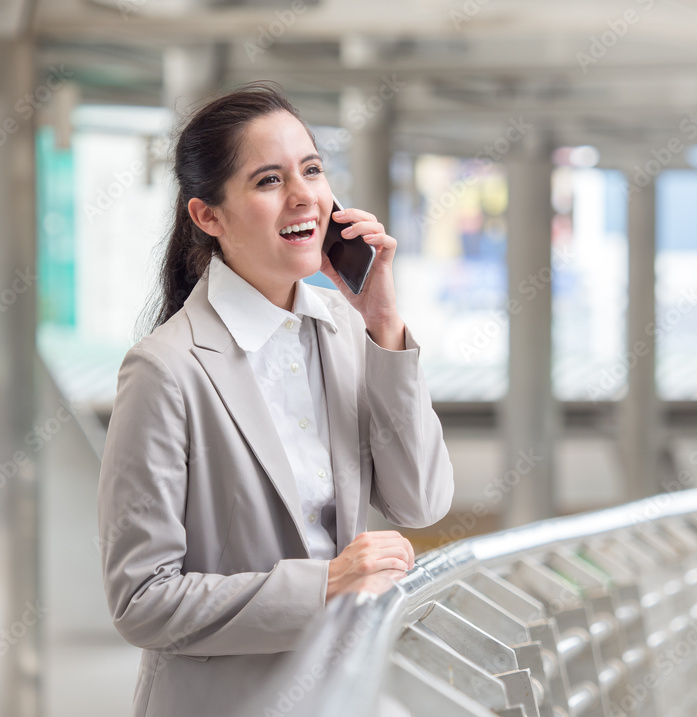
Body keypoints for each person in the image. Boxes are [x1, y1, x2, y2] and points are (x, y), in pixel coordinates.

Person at [96, 81, 454, 717]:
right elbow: (142, 602)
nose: (304, 197)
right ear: (208, 216)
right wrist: (327, 584)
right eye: (268, 180)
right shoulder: (165, 371)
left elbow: (420, 501)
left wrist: (383, 323)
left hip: (341, 696)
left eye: (312, 169)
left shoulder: (344, 331)